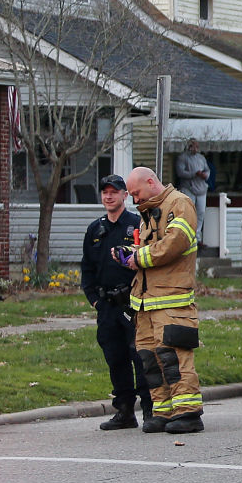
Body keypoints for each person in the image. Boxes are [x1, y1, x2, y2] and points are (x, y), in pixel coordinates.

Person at [116, 165, 204, 434]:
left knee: (174, 359)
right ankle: (163, 411)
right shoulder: (148, 212)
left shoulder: (180, 204)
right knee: (151, 360)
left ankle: (188, 413)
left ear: (151, 182)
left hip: (172, 301)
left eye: (136, 192)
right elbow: (152, 247)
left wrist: (138, 257)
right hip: (146, 303)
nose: (134, 199)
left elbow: (174, 244)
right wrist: (129, 253)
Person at [80, 173, 147, 430]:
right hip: (106, 306)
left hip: (132, 304)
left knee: (139, 356)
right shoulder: (96, 229)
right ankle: (124, 412)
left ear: (124, 195)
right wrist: (94, 299)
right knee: (115, 358)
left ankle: (150, 410)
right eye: (105, 192)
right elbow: (87, 268)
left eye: (114, 192)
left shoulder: (137, 225)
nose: (108, 196)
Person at [175, 139, 211, 250]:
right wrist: (194, 173)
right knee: (189, 213)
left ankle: (197, 238)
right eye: (192, 146)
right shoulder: (182, 158)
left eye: (196, 146)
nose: (195, 148)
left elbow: (207, 170)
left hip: (201, 188)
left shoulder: (201, 158)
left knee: (200, 213)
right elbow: (180, 172)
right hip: (188, 188)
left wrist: (205, 175)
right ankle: (187, 238)